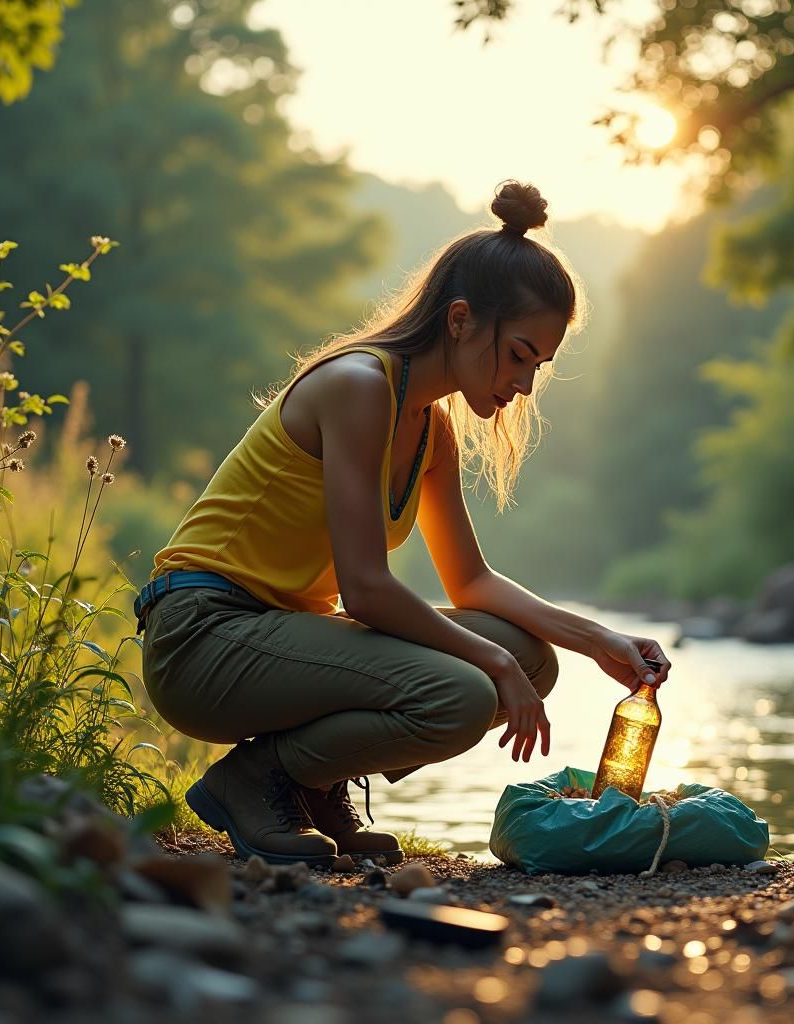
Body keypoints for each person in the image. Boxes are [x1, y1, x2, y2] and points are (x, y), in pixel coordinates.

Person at [136, 180, 672, 869]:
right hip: (202, 638)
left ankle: (311, 781)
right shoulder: (360, 386)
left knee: (534, 658)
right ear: (459, 321)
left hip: (277, 633)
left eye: (539, 365)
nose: (526, 385)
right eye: (518, 355)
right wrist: (493, 662)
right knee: (467, 690)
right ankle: (261, 780)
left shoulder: (431, 429)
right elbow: (364, 589)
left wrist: (598, 639)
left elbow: (470, 580)